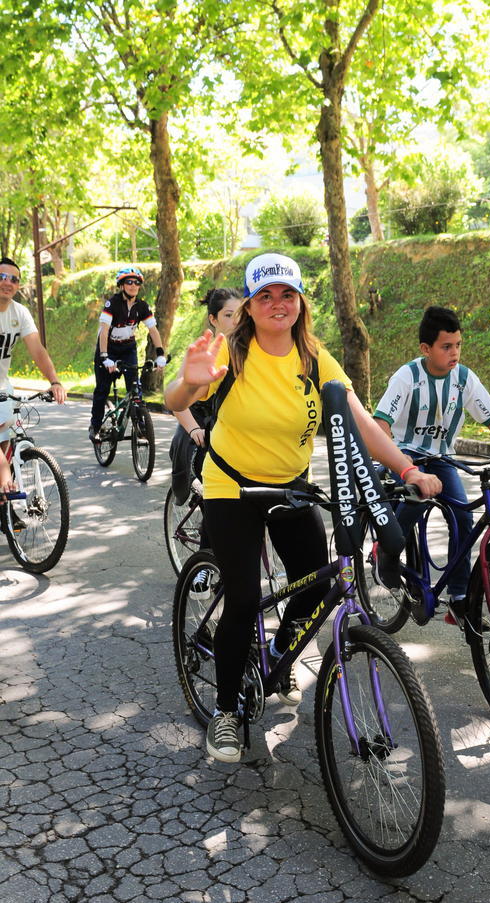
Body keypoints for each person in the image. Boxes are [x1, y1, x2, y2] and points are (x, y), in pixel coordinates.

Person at [165, 252, 442, 765]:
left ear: (300, 302)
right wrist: (187, 383)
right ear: (248, 306)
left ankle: (277, 654)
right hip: (233, 488)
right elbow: (175, 396)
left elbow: (360, 421)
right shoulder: (230, 352)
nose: (277, 303)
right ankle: (226, 711)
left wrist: (408, 471)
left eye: (286, 294)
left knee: (318, 581)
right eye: (264, 295)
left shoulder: (315, 358)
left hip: (291, 486)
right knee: (245, 598)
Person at [373, 305, 490, 621]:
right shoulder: (408, 377)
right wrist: (400, 460)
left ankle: (458, 598)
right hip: (405, 455)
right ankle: (387, 552)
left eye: (458, 345)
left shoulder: (464, 379)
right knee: (420, 495)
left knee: (462, 517)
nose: (455, 352)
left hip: (441, 457)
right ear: (426, 348)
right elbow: (381, 423)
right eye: (446, 346)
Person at [169, 287, 241, 507]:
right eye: (228, 315)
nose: (236, 322)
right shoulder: (202, 353)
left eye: (241, 315)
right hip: (198, 424)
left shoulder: (250, 351)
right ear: (213, 318)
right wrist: (193, 430)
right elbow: (178, 401)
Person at [89, 266, 167, 442]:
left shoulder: (142, 306)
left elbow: (153, 330)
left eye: (137, 282)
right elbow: (104, 331)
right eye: (128, 282)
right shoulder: (113, 304)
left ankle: (140, 425)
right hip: (107, 349)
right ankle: (95, 426)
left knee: (135, 389)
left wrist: (160, 354)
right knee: (102, 390)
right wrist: (104, 357)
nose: (133, 285)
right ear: (122, 285)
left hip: (127, 349)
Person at [0, 256, 67, 452]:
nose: (8, 282)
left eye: (14, 279)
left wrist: (54, 381)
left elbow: (37, 349)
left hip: (2, 385)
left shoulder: (19, 312)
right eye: (3, 276)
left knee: (4, 438)